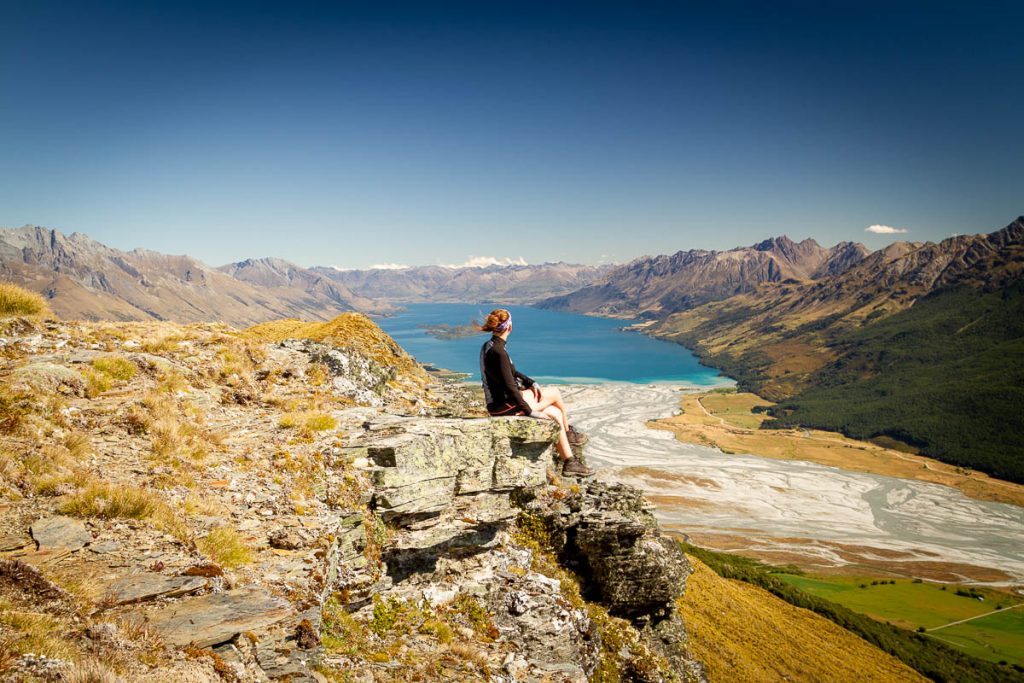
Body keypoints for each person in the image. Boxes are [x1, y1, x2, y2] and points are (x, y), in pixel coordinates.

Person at [478, 308, 592, 477]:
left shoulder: (490, 346)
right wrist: (530, 412)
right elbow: (510, 387)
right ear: (509, 327)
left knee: (555, 413)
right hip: (504, 405)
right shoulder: (499, 352)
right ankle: (569, 435)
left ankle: (570, 463)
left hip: (498, 404)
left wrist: (531, 382)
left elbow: (512, 373)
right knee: (554, 393)